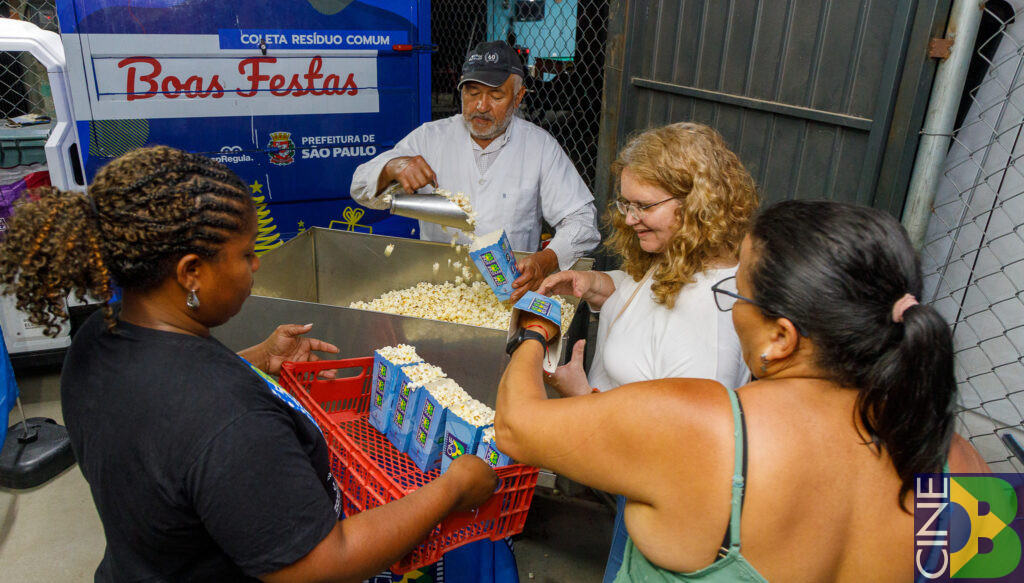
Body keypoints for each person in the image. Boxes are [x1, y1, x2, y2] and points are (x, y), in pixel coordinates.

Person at [0, 146, 497, 583]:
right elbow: (324, 562)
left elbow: (165, 420)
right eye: (244, 255)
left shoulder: (96, 339)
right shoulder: (233, 422)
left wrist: (256, 360)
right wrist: (453, 488)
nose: (256, 265)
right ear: (191, 273)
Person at [497, 199, 990, 582]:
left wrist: (535, 331)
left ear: (781, 337)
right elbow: (994, 567)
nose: (732, 308)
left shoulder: (709, 430)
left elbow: (516, 426)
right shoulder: (960, 460)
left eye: (737, 292)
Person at [537, 122, 757, 581]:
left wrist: (581, 399)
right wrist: (595, 283)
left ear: (696, 204)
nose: (629, 218)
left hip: (663, 507)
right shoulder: (682, 255)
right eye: (625, 203)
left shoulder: (708, 315)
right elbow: (645, 291)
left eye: (644, 206)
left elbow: (680, 448)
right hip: (636, 490)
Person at [350, 40, 600, 301]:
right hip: (437, 292)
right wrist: (393, 167)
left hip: (510, 294)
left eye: (496, 96)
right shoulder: (429, 138)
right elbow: (359, 188)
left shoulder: (539, 147)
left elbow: (582, 220)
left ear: (518, 97)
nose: (481, 106)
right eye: (472, 93)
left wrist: (547, 259)